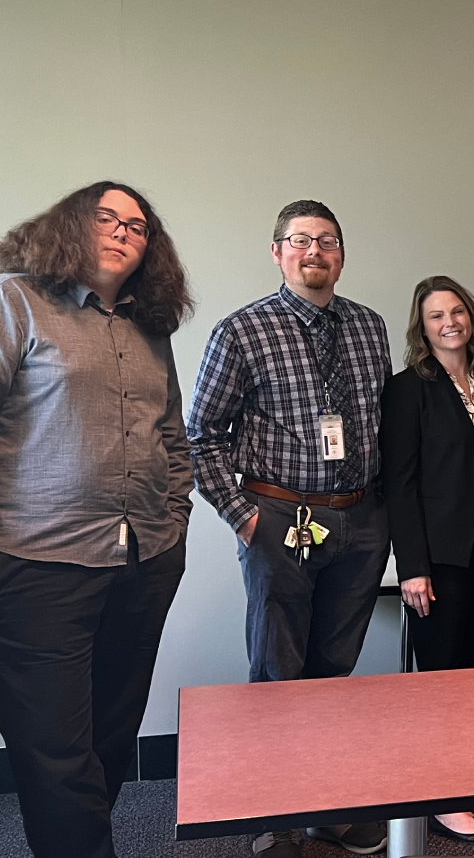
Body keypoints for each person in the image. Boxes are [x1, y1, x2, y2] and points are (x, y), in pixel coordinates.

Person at [0, 182, 193, 858]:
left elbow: (174, 436)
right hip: (32, 569)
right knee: (56, 759)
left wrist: (176, 525)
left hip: (142, 562)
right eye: (107, 217)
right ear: (69, 225)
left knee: (110, 740)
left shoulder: (147, 328)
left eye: (138, 225)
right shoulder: (6, 301)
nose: (124, 231)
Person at [187, 200, 392, 858]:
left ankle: (325, 810)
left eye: (327, 241)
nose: (314, 252)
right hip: (280, 518)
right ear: (277, 252)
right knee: (279, 669)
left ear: (341, 255)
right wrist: (243, 516)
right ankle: (273, 813)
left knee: (334, 670)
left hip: (359, 520)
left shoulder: (369, 326)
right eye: (300, 241)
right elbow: (200, 436)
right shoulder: (241, 330)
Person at [379, 276, 474, 844]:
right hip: (438, 554)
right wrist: (412, 565)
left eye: (457, 311)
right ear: (423, 326)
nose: (449, 322)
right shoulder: (409, 388)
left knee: (465, 674)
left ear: (471, 317)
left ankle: (455, 781)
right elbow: (400, 483)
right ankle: (439, 797)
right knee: (438, 680)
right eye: (436, 315)